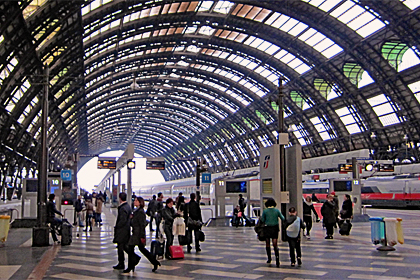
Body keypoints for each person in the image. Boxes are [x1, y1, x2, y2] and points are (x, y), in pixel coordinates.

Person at [125, 197, 161, 273]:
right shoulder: (136, 211)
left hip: (138, 234)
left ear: (140, 202)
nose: (134, 202)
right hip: (135, 233)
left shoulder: (141, 212)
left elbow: (142, 225)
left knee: (134, 249)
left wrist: (142, 237)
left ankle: (132, 265)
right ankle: (153, 262)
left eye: (136, 200)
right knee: (136, 249)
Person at [260, 198, 285, 267]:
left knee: (267, 243)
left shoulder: (265, 211)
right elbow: (283, 218)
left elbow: (262, 220)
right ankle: (277, 259)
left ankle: (269, 258)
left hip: (267, 228)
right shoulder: (277, 211)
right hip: (275, 228)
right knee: (275, 244)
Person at [113, 192, 132, 270]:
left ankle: (121, 263)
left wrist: (117, 227)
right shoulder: (128, 206)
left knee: (120, 247)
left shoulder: (123, 208)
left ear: (120, 198)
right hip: (126, 230)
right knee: (124, 246)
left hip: (122, 231)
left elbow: (122, 220)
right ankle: (130, 259)